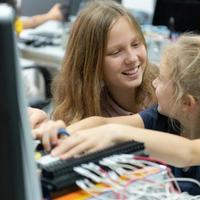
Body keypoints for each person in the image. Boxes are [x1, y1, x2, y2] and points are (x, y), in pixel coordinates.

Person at [34, 35, 200, 199]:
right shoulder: (163, 116)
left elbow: (190, 153)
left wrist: (117, 133)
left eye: (161, 79)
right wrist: (64, 132)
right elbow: (100, 123)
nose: (153, 83)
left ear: (187, 102)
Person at [32, 0, 157, 149]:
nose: (132, 58)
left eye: (136, 44)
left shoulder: (164, 91)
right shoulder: (81, 111)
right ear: (91, 63)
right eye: (116, 52)